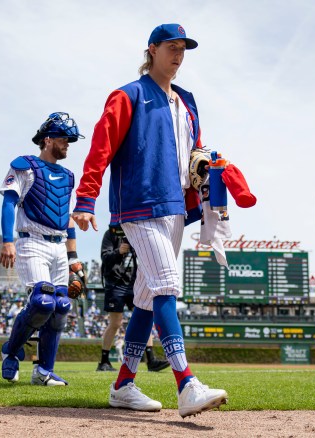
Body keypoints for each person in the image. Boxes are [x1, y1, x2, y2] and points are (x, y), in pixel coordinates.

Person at [72, 23, 228, 417]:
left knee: (145, 298)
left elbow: (195, 153)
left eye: (183, 49)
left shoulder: (187, 102)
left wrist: (208, 171)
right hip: (139, 205)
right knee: (165, 287)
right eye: (171, 47)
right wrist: (87, 198)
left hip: (175, 206)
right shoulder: (129, 95)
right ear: (152, 50)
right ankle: (187, 384)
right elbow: (101, 147)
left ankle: (123, 384)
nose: (178, 54)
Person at [0, 112, 86, 386]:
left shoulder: (69, 176)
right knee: (42, 301)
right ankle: (11, 352)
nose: (68, 144)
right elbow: (9, 202)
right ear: (48, 140)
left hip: (59, 246)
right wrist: (7, 240)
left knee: (61, 306)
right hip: (32, 241)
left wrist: (73, 258)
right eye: (63, 138)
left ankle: (44, 371)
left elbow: (67, 217)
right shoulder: (25, 165)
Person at [97, 223, 169, 373]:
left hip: (134, 283)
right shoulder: (110, 234)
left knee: (144, 317)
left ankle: (151, 360)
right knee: (115, 323)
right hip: (115, 284)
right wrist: (119, 251)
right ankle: (103, 361)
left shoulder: (136, 235)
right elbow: (105, 257)